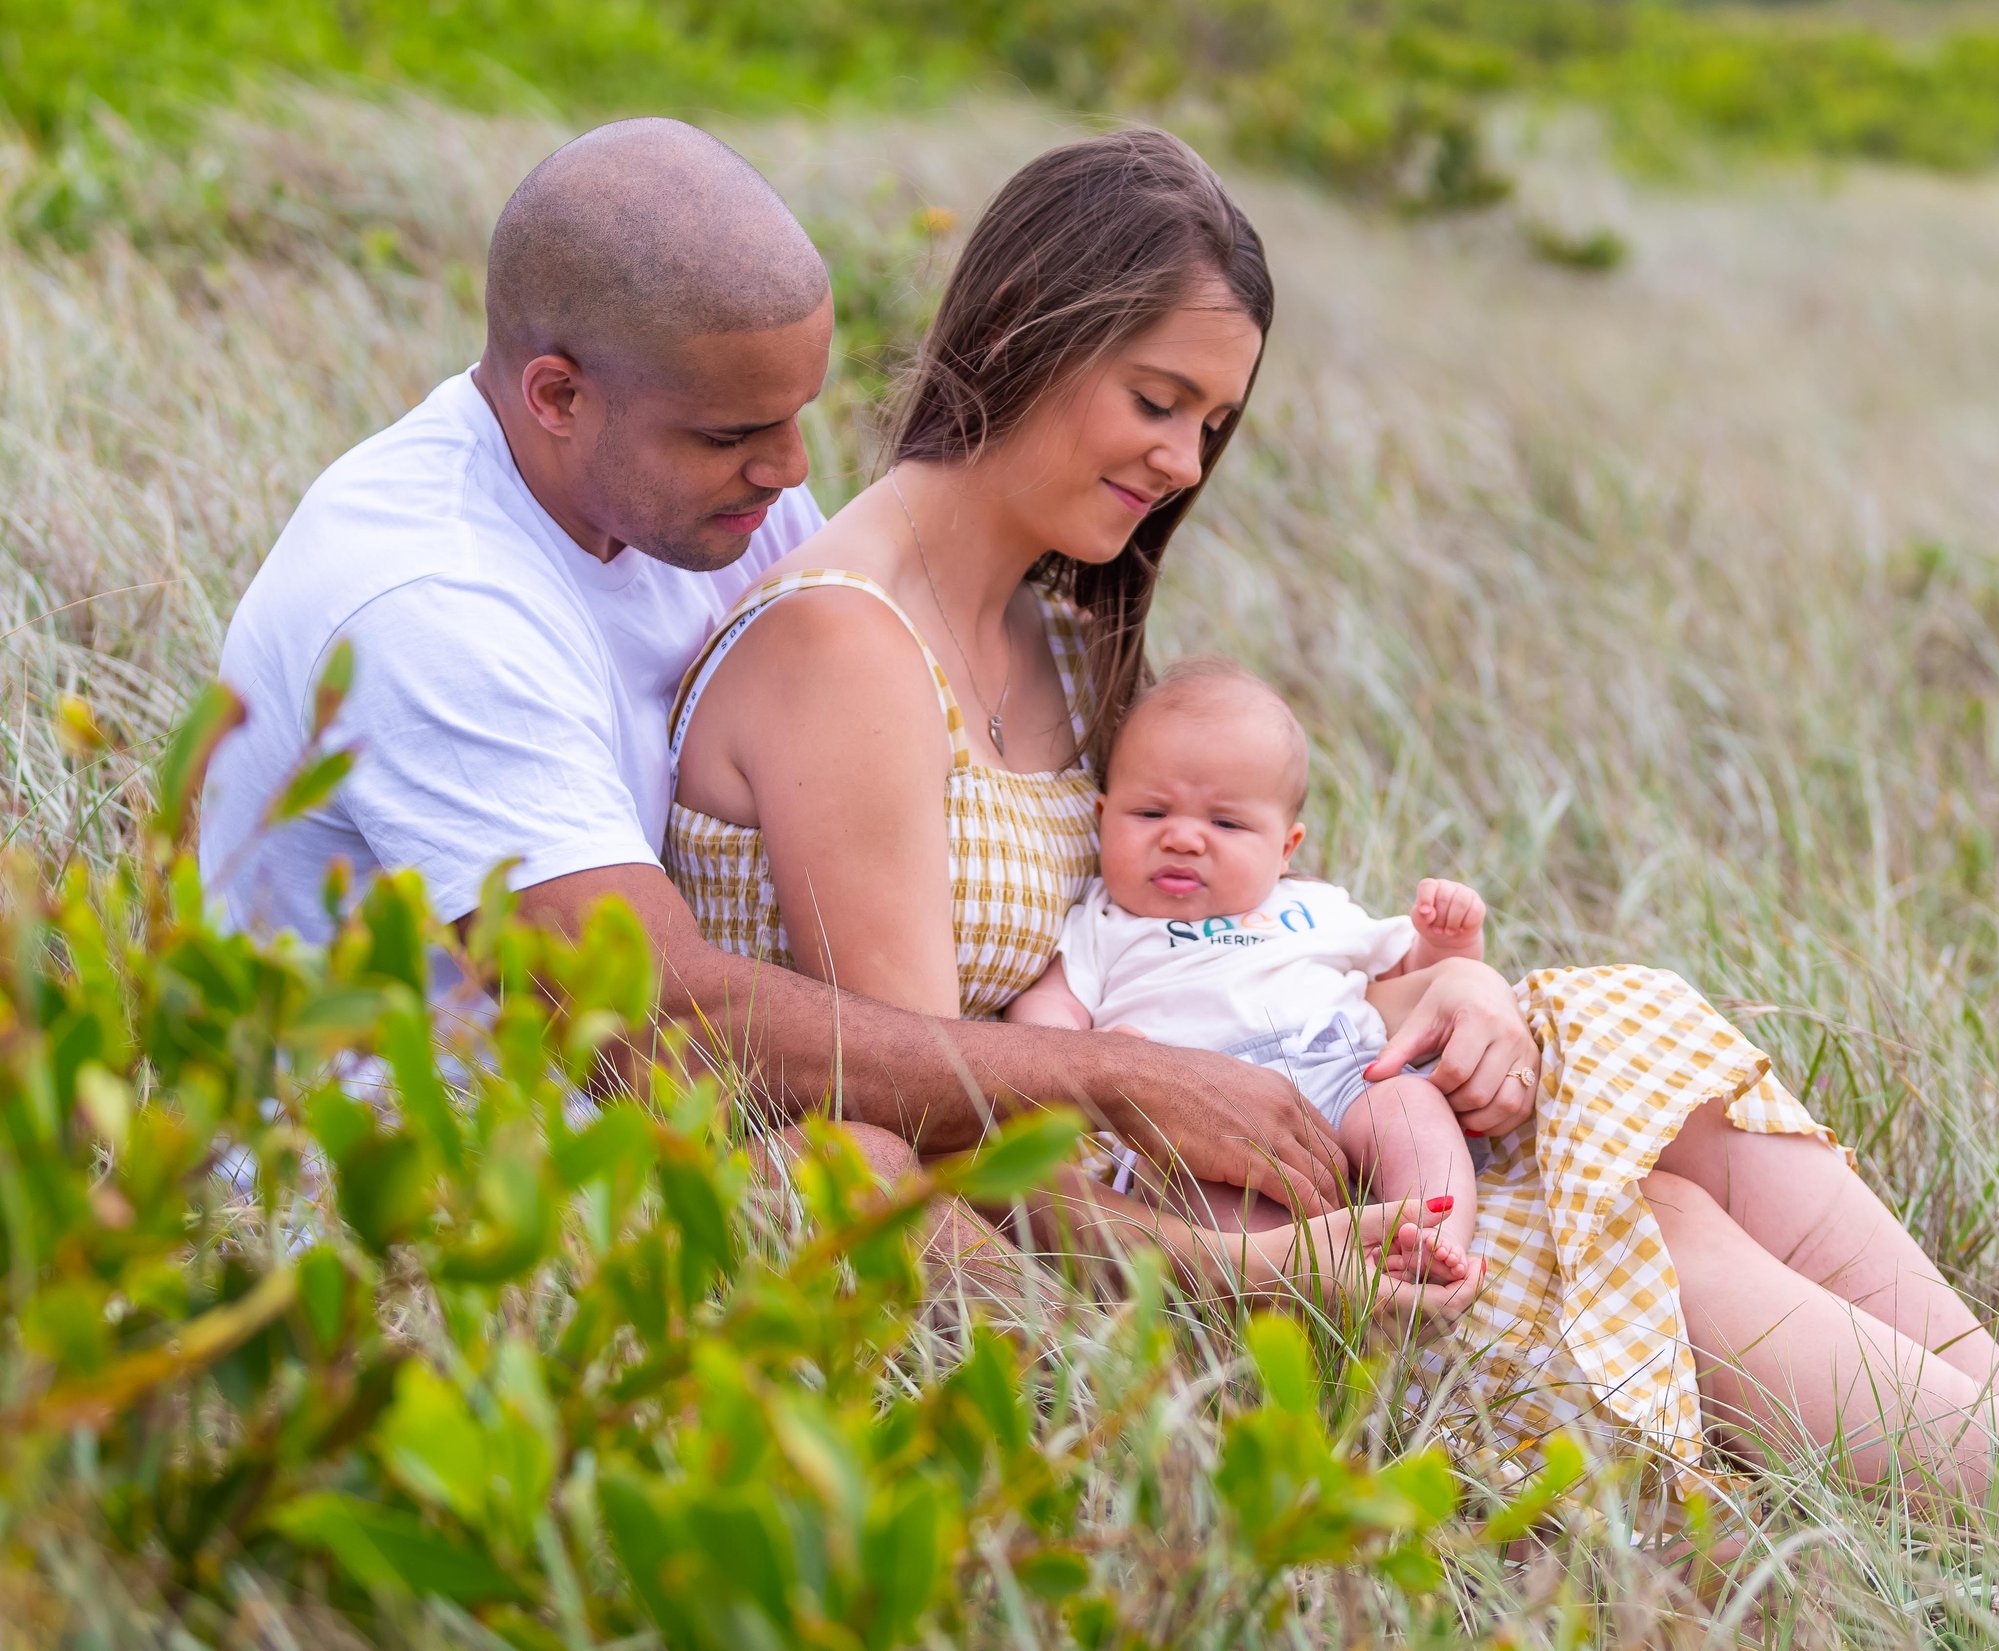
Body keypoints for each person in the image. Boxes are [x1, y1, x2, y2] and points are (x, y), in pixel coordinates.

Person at [665, 123, 1999, 1534]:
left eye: (1213, 424)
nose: (1184, 462)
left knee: (1633, 1050)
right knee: (1655, 1228)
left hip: (1194, 1120)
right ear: (1026, 331)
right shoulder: (850, 645)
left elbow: (1191, 932)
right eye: (1157, 399)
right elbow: (927, 1127)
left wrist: (1448, 987)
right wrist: (1259, 1264)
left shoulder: (1049, 621)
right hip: (1084, 1226)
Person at [197, 117, 1439, 1276]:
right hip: (413, 1187)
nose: (794, 472)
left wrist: (1437, 982)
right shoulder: (431, 602)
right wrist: (1115, 1082)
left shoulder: (706, 497)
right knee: (849, 1173)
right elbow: (648, 1016)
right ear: (558, 396)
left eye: (799, 412)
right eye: (737, 430)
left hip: (639, 1112)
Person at [1004, 657, 1487, 1290]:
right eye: (1150, 814)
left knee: (1412, 1105)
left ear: (1286, 848)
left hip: (1343, 1072)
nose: (1183, 839)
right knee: (1208, 1203)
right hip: (1201, 1116)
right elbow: (1045, 1011)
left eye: (1225, 824)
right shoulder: (1101, 923)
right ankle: (1313, 1284)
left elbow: (1416, 986)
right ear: (1101, 817)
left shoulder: (1310, 906)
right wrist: (1093, 1056)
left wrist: (1448, 941)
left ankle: (1428, 1236)